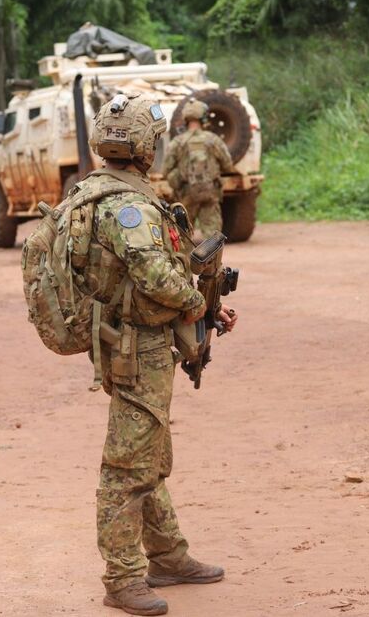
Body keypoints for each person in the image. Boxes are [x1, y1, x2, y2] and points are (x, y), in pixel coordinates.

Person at [80, 94, 239, 615]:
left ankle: (168, 556)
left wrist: (202, 310)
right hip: (135, 346)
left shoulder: (106, 192)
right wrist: (198, 304)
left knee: (147, 452)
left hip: (137, 341)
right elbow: (155, 276)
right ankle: (123, 578)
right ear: (145, 147)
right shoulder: (126, 206)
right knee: (127, 465)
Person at [163, 100, 235, 239]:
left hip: (187, 194)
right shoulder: (213, 140)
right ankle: (213, 260)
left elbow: (166, 170)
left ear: (186, 119)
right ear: (204, 118)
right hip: (210, 192)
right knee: (213, 237)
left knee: (183, 235)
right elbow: (227, 164)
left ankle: (185, 260)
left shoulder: (178, 142)